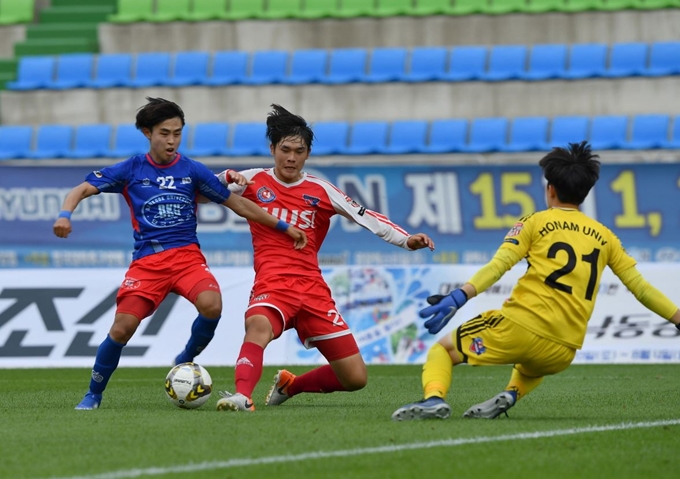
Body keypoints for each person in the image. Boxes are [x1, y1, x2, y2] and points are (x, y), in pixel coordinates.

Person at [392, 141, 680, 421]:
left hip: (520, 328)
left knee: (443, 349)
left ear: (550, 188)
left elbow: (500, 265)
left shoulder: (534, 222)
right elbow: (641, 288)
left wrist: (461, 295)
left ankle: (433, 399)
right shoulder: (606, 237)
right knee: (532, 366)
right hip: (563, 350)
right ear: (585, 192)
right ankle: (512, 393)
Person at [53, 97, 307, 410]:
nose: (172, 140)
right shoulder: (131, 169)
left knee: (212, 306)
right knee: (122, 329)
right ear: (147, 132)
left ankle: (185, 358)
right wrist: (65, 214)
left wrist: (283, 226)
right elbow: (80, 189)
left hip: (187, 258)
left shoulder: (191, 170)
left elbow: (239, 203)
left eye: (177, 133)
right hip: (147, 263)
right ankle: (93, 394)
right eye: (164, 133)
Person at [203, 104, 435, 412]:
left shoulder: (321, 190)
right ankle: (242, 397)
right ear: (272, 149)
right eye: (285, 149)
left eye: (299, 151)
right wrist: (224, 179)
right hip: (273, 282)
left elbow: (366, 216)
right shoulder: (251, 180)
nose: (291, 157)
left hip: (313, 289)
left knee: (355, 377)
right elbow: (200, 190)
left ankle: (292, 385)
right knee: (257, 327)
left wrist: (406, 240)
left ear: (307, 154)